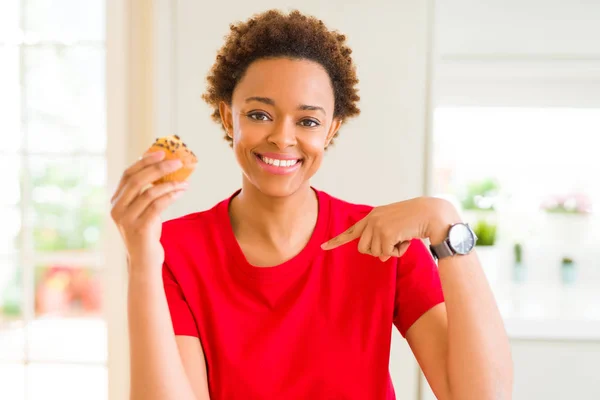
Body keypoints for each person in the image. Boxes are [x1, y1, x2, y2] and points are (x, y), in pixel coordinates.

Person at [110, 9, 513, 400]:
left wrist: (445, 222)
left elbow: (483, 396)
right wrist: (143, 260)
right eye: (259, 114)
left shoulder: (386, 243)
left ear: (331, 127)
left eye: (307, 121)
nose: (283, 138)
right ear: (228, 118)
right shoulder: (175, 250)